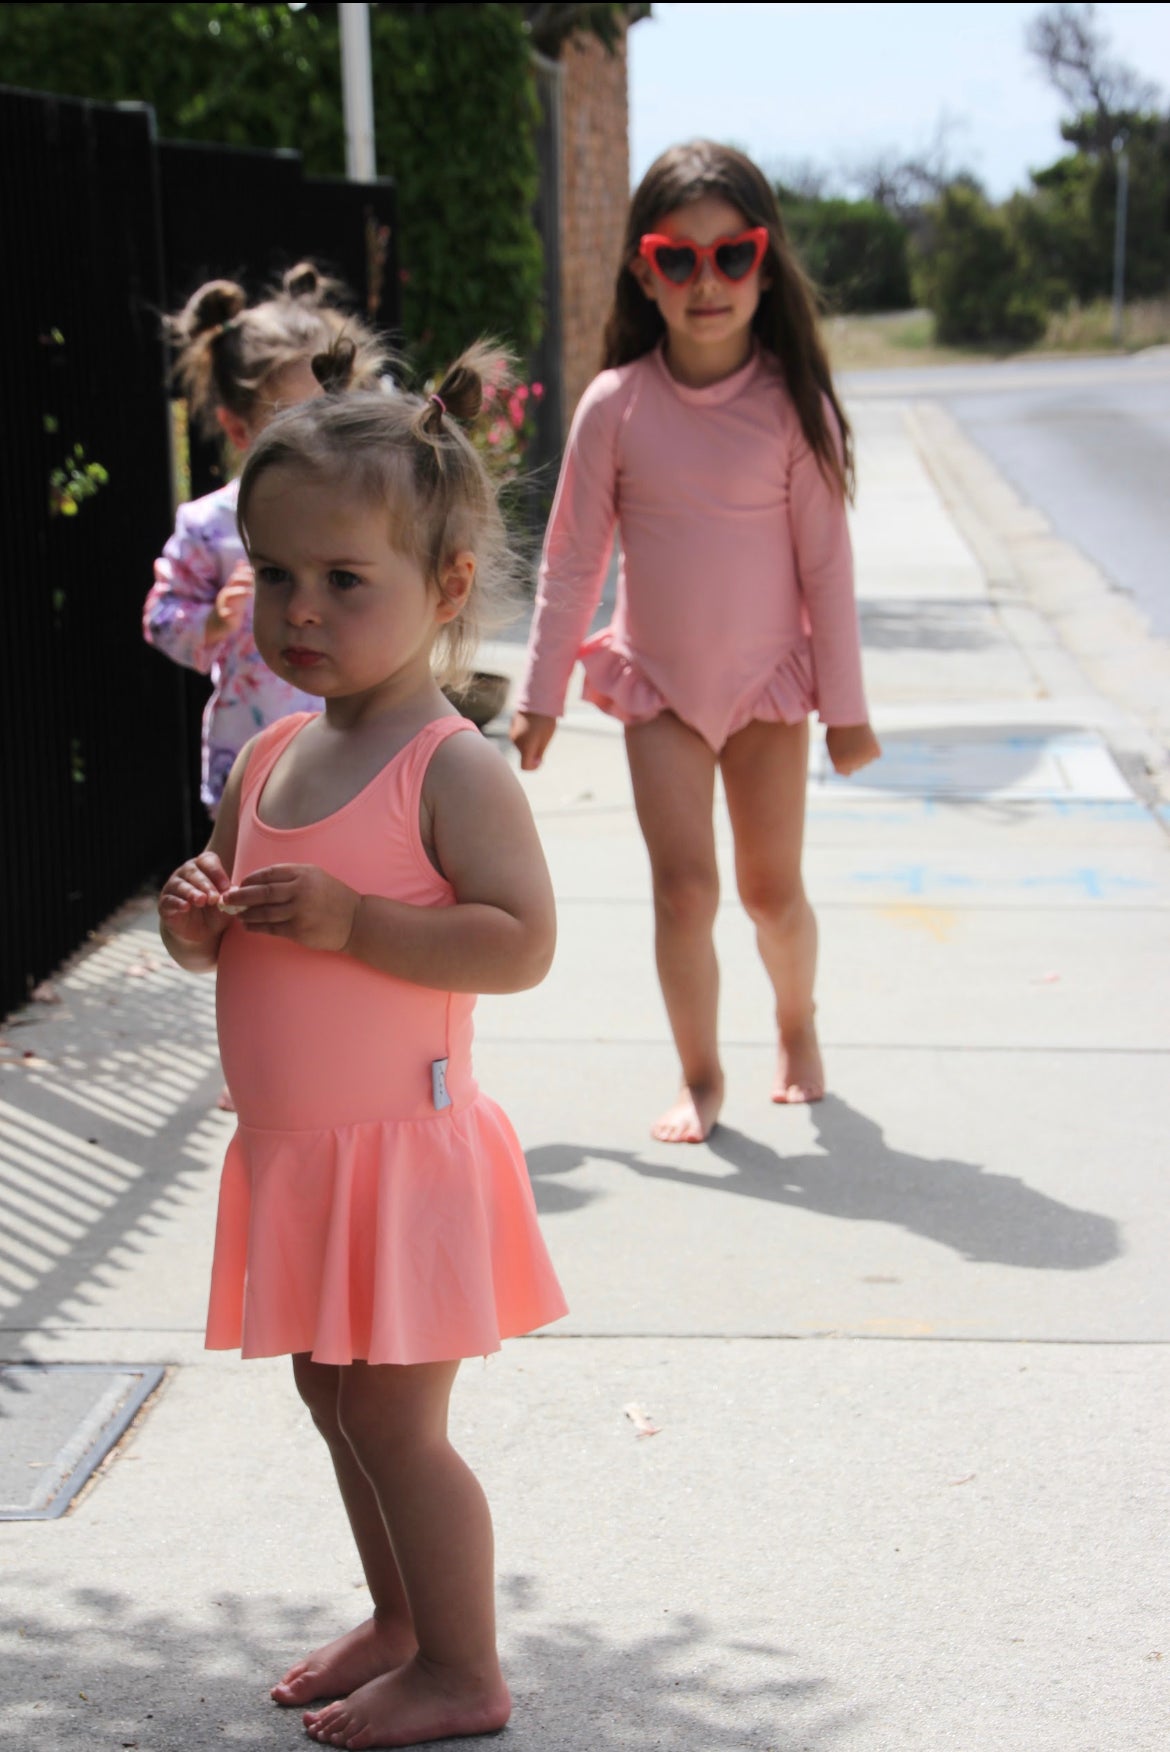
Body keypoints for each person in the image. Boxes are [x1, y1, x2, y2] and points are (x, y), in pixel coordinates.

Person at [158, 340, 566, 1750]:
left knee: (397, 1422)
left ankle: (465, 1667)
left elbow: (518, 941)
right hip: (306, 1158)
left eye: (345, 581)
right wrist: (198, 923)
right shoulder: (272, 760)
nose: (300, 610)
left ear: (445, 591)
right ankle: (400, 1624)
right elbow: (222, 924)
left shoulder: (450, 764)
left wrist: (353, 921)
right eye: (275, 577)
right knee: (332, 1397)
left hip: (402, 1153)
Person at [511, 140, 881, 1145]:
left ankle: (796, 1020)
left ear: (766, 262)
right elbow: (573, 560)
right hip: (660, 688)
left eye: (733, 255)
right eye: (680, 259)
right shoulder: (614, 407)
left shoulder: (793, 410)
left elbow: (828, 572)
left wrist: (844, 711)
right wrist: (541, 694)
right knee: (683, 891)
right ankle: (703, 1076)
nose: (707, 282)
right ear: (645, 270)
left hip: (767, 690)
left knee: (769, 893)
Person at [144, 263, 385, 815]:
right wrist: (211, 622)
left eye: (329, 410)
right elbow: (161, 615)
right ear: (237, 429)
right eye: (291, 419)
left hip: (355, 749)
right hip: (250, 762)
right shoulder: (212, 523)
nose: (316, 435)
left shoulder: (365, 506)